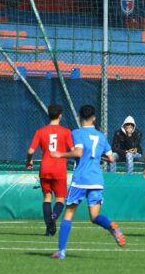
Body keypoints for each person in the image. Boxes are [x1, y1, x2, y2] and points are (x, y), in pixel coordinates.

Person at [50, 105, 125, 259]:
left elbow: (78, 152)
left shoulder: (76, 133)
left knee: (68, 214)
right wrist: (98, 157)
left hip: (81, 179)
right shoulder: (101, 136)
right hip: (96, 179)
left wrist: (60, 154)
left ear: (79, 117)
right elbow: (111, 159)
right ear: (94, 118)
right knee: (95, 216)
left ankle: (62, 252)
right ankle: (111, 227)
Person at [26, 104, 74, 236]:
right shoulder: (66, 132)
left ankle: (49, 229)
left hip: (45, 168)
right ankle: (53, 217)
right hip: (59, 169)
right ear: (60, 115)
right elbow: (73, 150)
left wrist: (28, 160)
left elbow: (30, 150)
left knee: (47, 197)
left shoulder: (40, 131)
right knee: (60, 199)